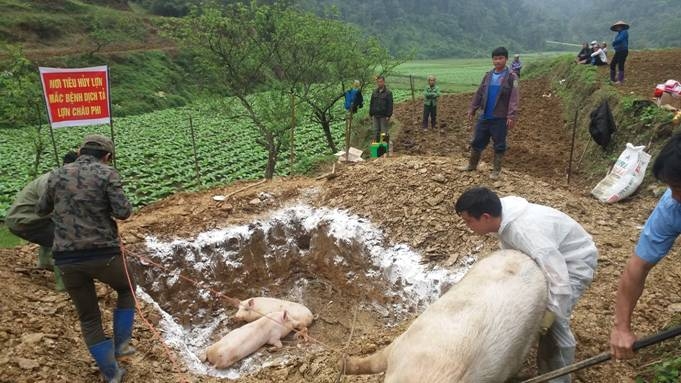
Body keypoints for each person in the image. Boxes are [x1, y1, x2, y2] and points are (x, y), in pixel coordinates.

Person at [455, 187, 598, 383]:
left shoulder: (525, 231)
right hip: (548, 257)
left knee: (556, 327)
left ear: (486, 217)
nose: (467, 226)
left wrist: (551, 313)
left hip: (572, 261)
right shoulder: (501, 213)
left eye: (469, 221)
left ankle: (558, 378)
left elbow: (559, 278)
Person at [37, 134, 134, 383]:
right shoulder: (108, 174)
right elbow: (123, 212)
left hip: (67, 260)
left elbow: (41, 210)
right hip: (104, 255)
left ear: (80, 151)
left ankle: (112, 374)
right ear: (107, 156)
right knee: (127, 288)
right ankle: (122, 346)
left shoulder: (56, 174)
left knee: (89, 318)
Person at [609, 133, 681, 360]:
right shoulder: (672, 206)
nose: (675, 196)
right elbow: (637, 267)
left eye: (680, 187)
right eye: (671, 187)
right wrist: (621, 327)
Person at [5, 151, 78, 291]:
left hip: (31, 219)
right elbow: (50, 208)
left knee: (55, 229)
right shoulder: (51, 180)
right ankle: (64, 285)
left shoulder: (61, 178)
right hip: (23, 221)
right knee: (65, 238)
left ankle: (45, 262)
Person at [463, 46, 519, 180]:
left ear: (506, 59)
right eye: (495, 59)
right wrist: (472, 108)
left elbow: (514, 97)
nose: (497, 61)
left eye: (500, 58)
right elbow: (479, 93)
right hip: (485, 115)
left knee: (499, 144)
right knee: (477, 140)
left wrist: (511, 115)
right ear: (492, 60)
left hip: (500, 118)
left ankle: (496, 171)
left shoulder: (512, 77)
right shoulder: (488, 75)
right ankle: (471, 165)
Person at [369, 75, 393, 142]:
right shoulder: (374, 92)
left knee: (384, 132)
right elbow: (372, 103)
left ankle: (385, 148)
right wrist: (371, 114)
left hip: (384, 116)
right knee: (375, 132)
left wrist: (388, 115)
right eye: (378, 82)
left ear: (384, 82)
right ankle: (376, 148)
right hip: (375, 115)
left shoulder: (388, 93)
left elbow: (390, 105)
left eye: (381, 82)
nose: (380, 83)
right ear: (377, 83)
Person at [610, 20, 629, 84]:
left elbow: (619, 40)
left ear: (621, 26)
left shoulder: (624, 32)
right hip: (618, 51)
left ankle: (620, 80)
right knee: (612, 64)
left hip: (623, 50)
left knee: (621, 64)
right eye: (616, 27)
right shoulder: (618, 34)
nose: (617, 28)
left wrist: (614, 42)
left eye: (618, 27)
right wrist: (614, 44)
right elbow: (616, 41)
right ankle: (612, 79)